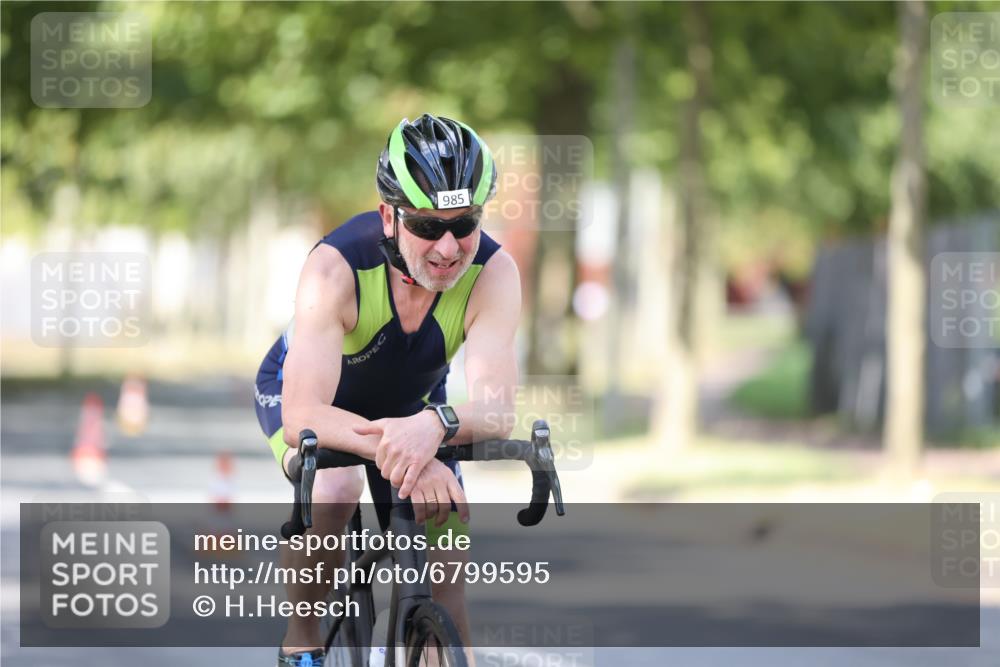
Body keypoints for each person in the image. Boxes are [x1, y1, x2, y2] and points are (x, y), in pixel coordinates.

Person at [254, 114, 520, 666]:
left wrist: (434, 429)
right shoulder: (334, 269)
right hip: (310, 397)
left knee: (446, 559)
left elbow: (496, 409)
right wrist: (411, 455)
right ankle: (301, 644)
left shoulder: (494, 273)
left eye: (465, 222)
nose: (448, 247)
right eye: (426, 226)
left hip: (413, 410)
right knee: (334, 491)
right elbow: (303, 415)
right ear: (388, 216)